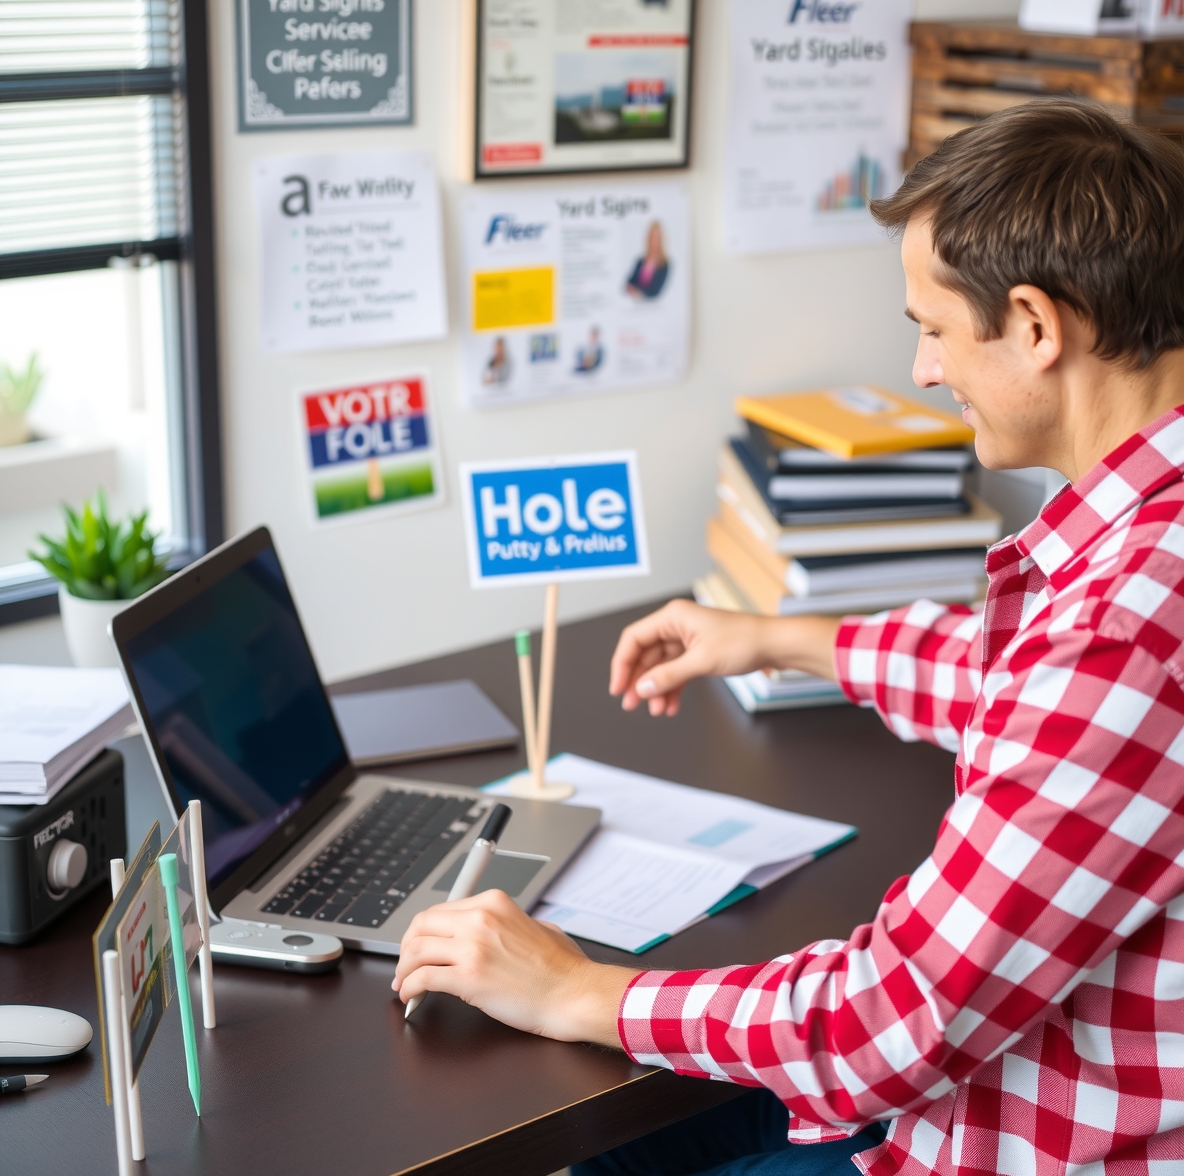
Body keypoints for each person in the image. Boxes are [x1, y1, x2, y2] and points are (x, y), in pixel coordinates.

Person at [392, 101, 1184, 1175]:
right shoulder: (1140, 555)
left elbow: (885, 1024)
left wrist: (575, 989)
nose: (922, 370)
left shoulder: (1124, 625)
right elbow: (1034, 700)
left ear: (1037, 328)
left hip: (1007, 1132)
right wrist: (774, 637)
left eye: (934, 328)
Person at [626, 222, 670, 300]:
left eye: (657, 237)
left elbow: (656, 290)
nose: (654, 240)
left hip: (653, 306)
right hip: (635, 305)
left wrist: (639, 293)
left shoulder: (664, 264)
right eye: (652, 236)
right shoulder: (640, 261)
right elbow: (630, 281)